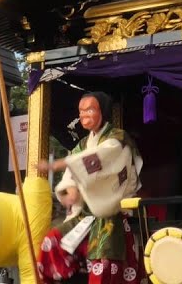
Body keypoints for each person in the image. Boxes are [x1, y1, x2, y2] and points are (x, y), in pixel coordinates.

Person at [35, 92, 143, 284]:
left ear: (103, 112)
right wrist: (71, 189)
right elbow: (73, 173)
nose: (84, 115)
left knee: (103, 263)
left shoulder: (117, 139)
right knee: (51, 243)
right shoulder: (83, 144)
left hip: (112, 214)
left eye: (90, 110)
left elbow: (99, 158)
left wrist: (59, 164)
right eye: (81, 111)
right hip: (84, 216)